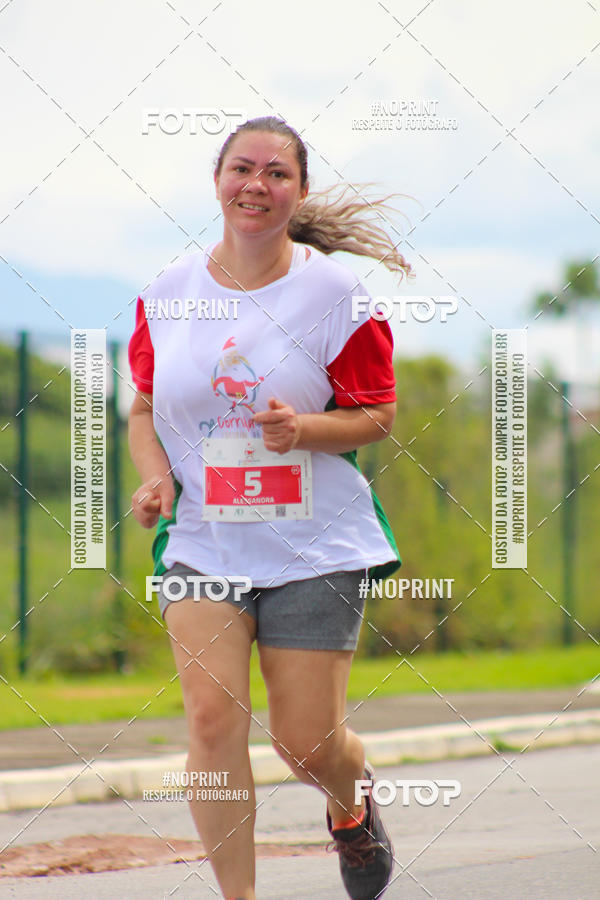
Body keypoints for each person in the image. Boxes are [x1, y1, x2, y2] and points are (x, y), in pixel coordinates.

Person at [128, 115, 412, 900]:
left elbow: (379, 412)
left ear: (300, 191)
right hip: (205, 543)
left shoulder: (333, 292)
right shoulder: (168, 292)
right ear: (218, 181)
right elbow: (144, 409)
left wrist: (305, 429)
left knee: (306, 743)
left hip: (314, 545)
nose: (257, 184)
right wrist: (155, 478)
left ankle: (350, 804)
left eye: (277, 173)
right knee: (212, 722)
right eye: (242, 169)